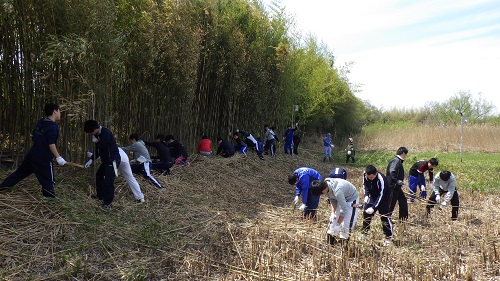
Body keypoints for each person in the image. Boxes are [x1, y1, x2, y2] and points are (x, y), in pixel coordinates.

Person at [0, 103, 66, 198]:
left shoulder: (41, 121)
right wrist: (58, 157)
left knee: (19, 174)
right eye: (59, 111)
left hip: (32, 154)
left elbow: (34, 136)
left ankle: (2, 187)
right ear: (55, 111)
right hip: (43, 158)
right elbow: (51, 143)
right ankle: (50, 202)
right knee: (48, 181)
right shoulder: (53, 127)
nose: (60, 113)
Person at [83, 120, 121, 209]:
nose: (91, 134)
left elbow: (103, 145)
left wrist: (97, 141)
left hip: (113, 160)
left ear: (95, 129)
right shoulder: (97, 135)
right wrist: (91, 160)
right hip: (106, 160)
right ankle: (101, 196)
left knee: (109, 180)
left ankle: (108, 202)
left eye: (91, 132)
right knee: (99, 175)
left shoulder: (105, 133)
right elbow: (97, 150)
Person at [310, 177, 360, 241]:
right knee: (333, 220)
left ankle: (344, 242)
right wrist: (332, 213)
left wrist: (338, 224)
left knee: (346, 223)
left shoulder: (337, 191)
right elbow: (332, 200)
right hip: (340, 197)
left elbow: (344, 209)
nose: (322, 195)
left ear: (323, 190)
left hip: (351, 198)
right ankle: (331, 239)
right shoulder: (326, 186)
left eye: (321, 194)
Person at [361, 165, 393, 246]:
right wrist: (366, 195)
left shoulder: (381, 179)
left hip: (384, 197)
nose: (371, 179)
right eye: (369, 177)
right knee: (366, 214)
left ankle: (388, 237)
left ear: (376, 173)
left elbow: (381, 195)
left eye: (372, 177)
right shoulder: (365, 175)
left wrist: (374, 206)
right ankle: (364, 233)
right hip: (372, 196)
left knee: (384, 217)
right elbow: (365, 186)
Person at [386, 147, 409, 221]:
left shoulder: (398, 161)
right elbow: (392, 171)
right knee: (391, 203)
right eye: (406, 154)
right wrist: (396, 181)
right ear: (403, 153)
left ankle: (403, 219)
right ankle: (386, 219)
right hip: (392, 186)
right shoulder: (396, 161)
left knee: (403, 201)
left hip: (397, 187)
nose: (405, 156)